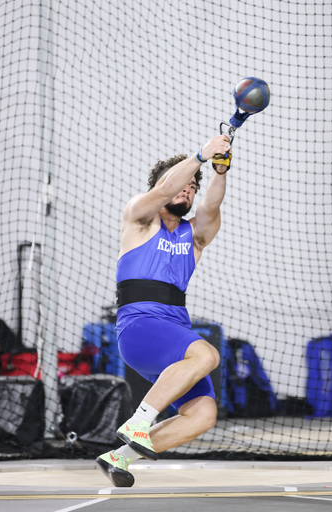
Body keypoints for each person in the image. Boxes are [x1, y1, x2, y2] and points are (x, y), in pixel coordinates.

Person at [96, 134, 232, 487]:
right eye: (180, 183)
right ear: (161, 185)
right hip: (139, 327)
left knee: (202, 414)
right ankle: (139, 420)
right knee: (207, 354)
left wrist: (219, 168)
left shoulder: (193, 236)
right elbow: (163, 190)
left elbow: (212, 206)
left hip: (171, 331)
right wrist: (200, 155)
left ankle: (119, 458)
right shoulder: (139, 217)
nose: (187, 189)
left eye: (191, 187)